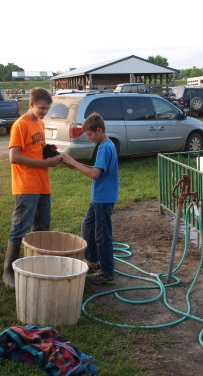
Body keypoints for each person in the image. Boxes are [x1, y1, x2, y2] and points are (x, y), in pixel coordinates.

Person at [3, 88, 61, 288]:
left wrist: (51, 153)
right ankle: (8, 272)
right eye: (41, 108)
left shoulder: (40, 123)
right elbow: (14, 157)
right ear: (31, 104)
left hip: (43, 184)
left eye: (47, 108)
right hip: (26, 185)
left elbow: (37, 149)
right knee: (20, 228)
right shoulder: (20, 125)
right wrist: (45, 164)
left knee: (43, 227)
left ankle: (38, 265)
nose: (44, 112)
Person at [62, 112, 119, 285]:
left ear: (99, 130)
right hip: (98, 198)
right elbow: (97, 168)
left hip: (104, 199)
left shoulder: (106, 147)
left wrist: (75, 162)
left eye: (90, 134)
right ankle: (94, 261)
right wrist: (75, 165)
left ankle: (107, 273)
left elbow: (94, 174)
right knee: (88, 227)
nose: (89, 138)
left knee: (102, 236)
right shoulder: (103, 145)